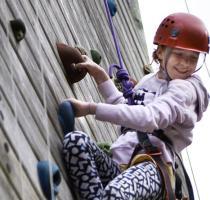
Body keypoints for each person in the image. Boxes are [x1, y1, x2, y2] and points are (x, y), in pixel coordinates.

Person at [61, 12, 209, 199]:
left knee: (115, 193)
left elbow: (149, 118)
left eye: (193, 58)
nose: (186, 64)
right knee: (75, 142)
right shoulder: (150, 80)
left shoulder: (187, 89)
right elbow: (128, 114)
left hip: (152, 167)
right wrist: (100, 77)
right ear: (162, 51)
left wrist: (91, 108)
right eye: (179, 54)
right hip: (119, 166)